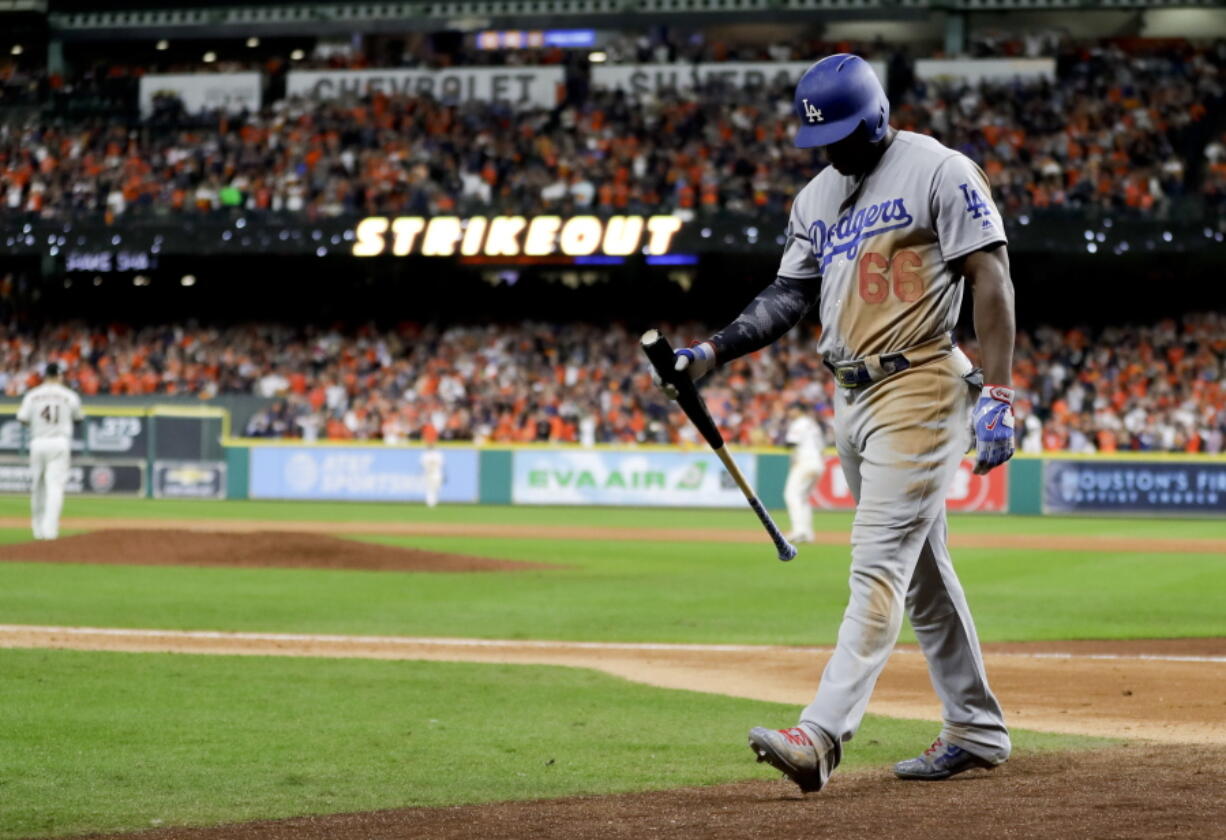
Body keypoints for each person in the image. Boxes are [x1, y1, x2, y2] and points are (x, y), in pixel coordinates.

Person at [656, 54, 1016, 792]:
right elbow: (787, 295)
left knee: (876, 562)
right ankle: (977, 728)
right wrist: (711, 352)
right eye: (822, 139)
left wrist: (1001, 392)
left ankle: (818, 735)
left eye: (846, 135)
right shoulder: (816, 196)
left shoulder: (939, 170)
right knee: (920, 575)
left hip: (918, 381)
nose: (833, 150)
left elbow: (991, 275)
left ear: (879, 116)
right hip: (850, 396)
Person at [17, 362, 84, 541]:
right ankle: (50, 531)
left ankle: (38, 530)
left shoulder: (32, 395)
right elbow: (79, 418)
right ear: (60, 376)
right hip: (59, 442)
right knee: (55, 487)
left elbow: (22, 418)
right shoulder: (69, 395)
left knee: (37, 487)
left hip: (38, 441)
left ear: (45, 376)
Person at [783, 404, 825, 543]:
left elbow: (791, 443)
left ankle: (799, 531)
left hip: (804, 462)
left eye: (791, 409)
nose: (789, 412)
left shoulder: (799, 423)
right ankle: (807, 533)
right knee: (803, 498)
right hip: (817, 462)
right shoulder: (813, 424)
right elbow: (821, 446)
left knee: (791, 495)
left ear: (798, 410)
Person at [420, 439, 444, 508]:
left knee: (436, 488)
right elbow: (423, 464)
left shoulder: (438, 454)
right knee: (428, 488)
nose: (430, 446)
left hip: (436, 473)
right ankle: (430, 503)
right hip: (428, 473)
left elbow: (441, 463)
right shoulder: (425, 454)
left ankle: (434, 502)